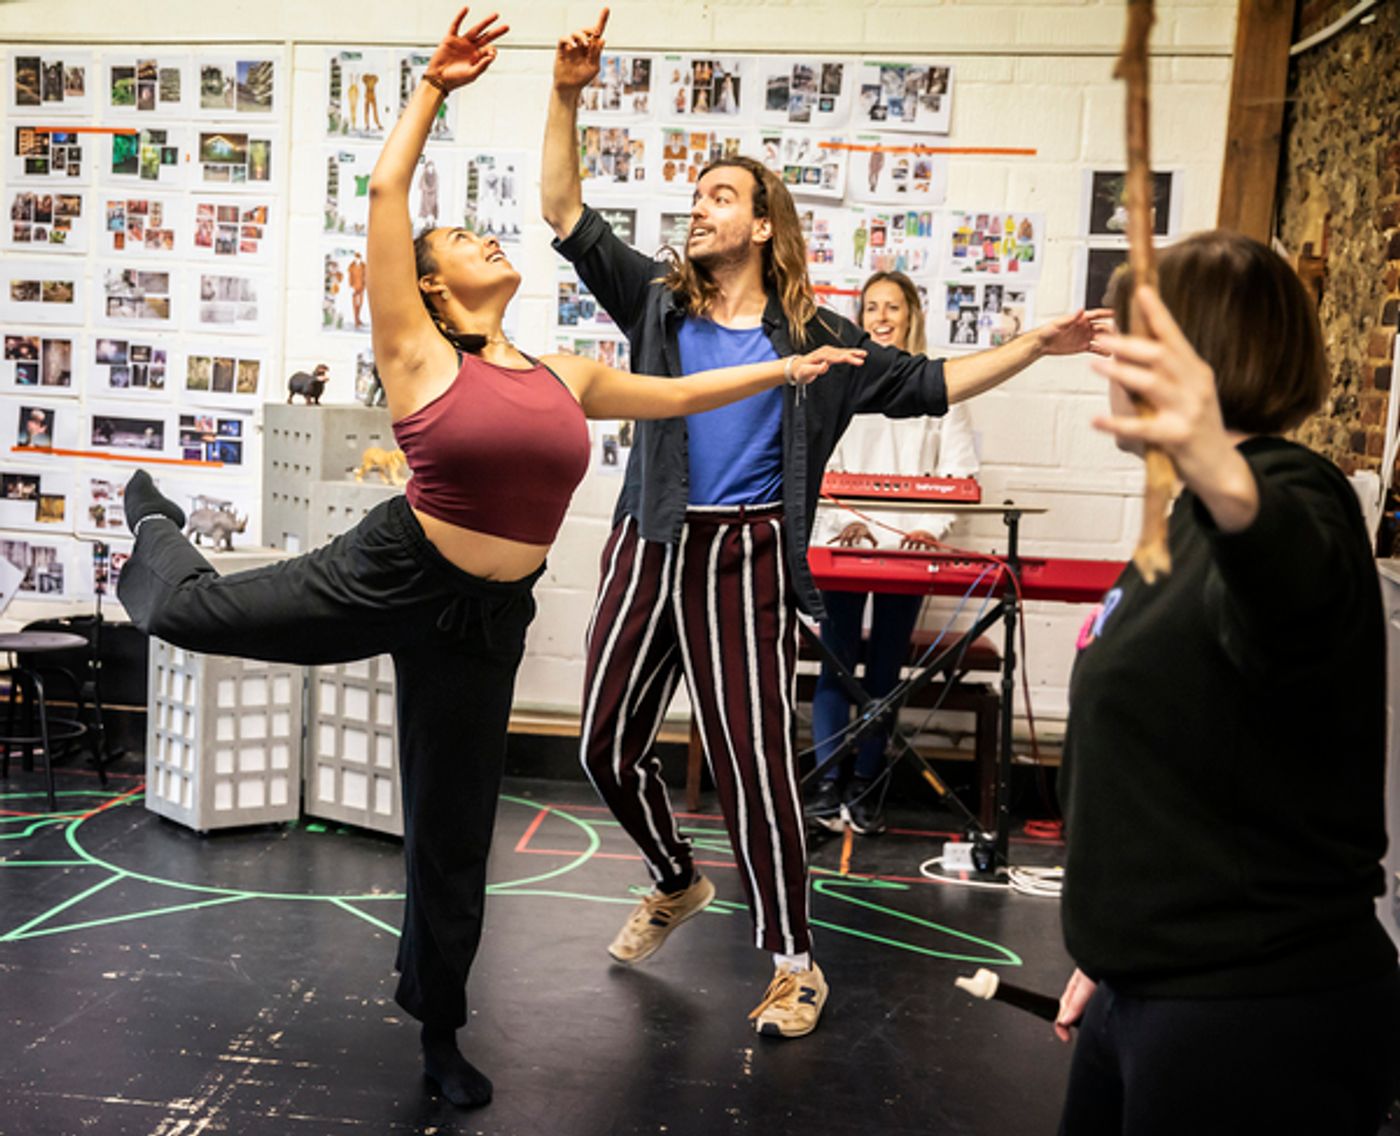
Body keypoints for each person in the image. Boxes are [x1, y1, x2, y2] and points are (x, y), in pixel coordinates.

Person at [115, 6, 861, 1113]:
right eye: (463, 241)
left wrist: (783, 372)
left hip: (488, 616)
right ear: (429, 285)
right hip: (392, 570)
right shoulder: (415, 349)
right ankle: (151, 525)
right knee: (191, 613)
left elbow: (678, 393)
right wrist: (433, 87)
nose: (486, 241)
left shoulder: (561, 372)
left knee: (453, 829)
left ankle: (439, 1032)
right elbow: (385, 193)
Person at [543, 8, 1106, 1041]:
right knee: (600, 746)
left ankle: (794, 964)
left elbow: (934, 382)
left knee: (754, 765)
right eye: (697, 195)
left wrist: (1034, 344)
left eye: (721, 196)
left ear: (764, 225)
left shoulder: (818, 338)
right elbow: (563, 208)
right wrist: (566, 94)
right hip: (649, 538)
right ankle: (673, 876)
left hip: (744, 552)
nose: (699, 207)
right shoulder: (656, 303)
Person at [1052, 231, 1400, 1134]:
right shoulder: (1188, 521)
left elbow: (1291, 588)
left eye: (1131, 334)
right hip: (1149, 986)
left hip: (1256, 1009)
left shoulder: (1294, 494)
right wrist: (1118, 946)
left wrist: (1216, 466)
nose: (1109, 359)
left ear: (1192, 354)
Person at [804, 272, 978, 836]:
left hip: (909, 549)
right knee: (836, 663)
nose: (881, 317)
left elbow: (958, 470)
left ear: (911, 316)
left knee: (885, 669)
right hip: (846, 544)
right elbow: (820, 465)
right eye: (872, 307)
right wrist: (846, 522)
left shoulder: (939, 387)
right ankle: (828, 783)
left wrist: (929, 527)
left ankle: (866, 782)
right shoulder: (839, 381)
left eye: (893, 307)